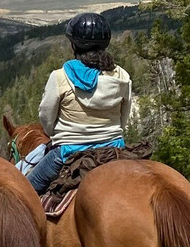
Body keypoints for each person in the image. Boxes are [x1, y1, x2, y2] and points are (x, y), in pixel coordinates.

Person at [26, 12, 132, 194]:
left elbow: (46, 118)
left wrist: (56, 134)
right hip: (113, 150)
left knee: (23, 195)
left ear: (74, 44)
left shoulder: (59, 77)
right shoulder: (122, 75)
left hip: (67, 152)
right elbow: (124, 119)